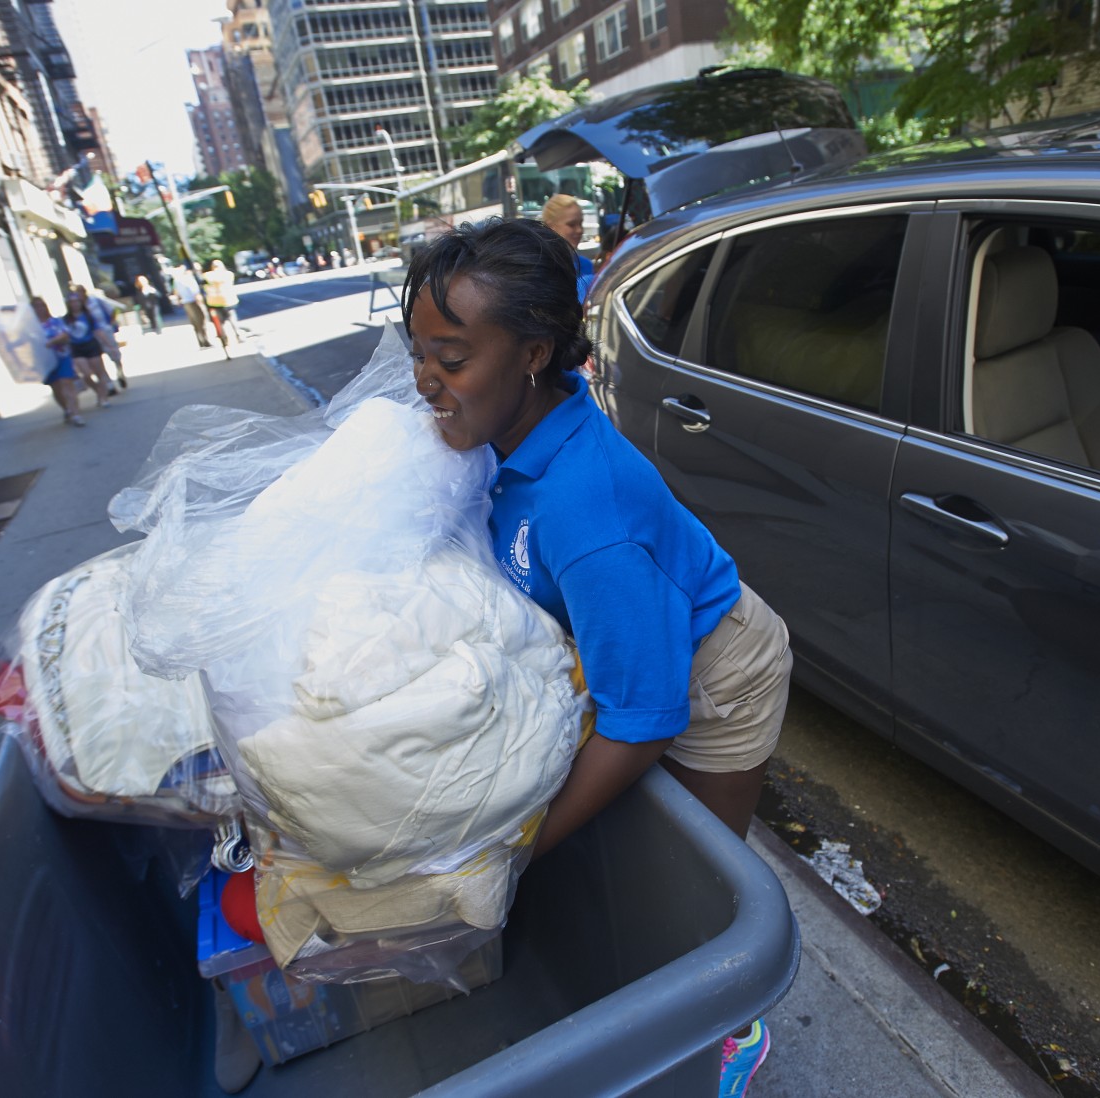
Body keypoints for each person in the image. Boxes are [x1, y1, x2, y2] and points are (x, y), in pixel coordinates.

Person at [402, 218, 790, 1097]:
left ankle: (731, 1029)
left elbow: (644, 722)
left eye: (451, 358)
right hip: (624, 640)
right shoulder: (499, 434)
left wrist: (513, 851)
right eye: (418, 352)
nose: (427, 380)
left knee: (693, 885)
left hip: (716, 670)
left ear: (534, 353)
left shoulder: (588, 511)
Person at [32, 296, 85, 426]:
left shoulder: (55, 322)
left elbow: (65, 334)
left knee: (67, 383)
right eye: (36, 306)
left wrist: (52, 342)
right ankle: (67, 409)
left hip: (62, 356)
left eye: (42, 305)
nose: (40, 309)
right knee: (56, 387)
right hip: (45, 361)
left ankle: (76, 413)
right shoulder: (31, 327)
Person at [71, 283, 127, 392]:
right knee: (96, 361)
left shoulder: (96, 301)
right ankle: (109, 384)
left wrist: (110, 325)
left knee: (114, 355)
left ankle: (120, 372)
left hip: (105, 331)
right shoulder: (77, 309)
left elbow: (112, 311)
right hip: (91, 336)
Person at [62, 291, 113, 410]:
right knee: (85, 374)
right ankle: (98, 391)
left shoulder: (88, 316)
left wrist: (109, 345)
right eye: (72, 302)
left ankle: (103, 397)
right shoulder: (66, 319)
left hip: (91, 345)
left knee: (100, 372)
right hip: (76, 348)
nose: (75, 304)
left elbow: (98, 331)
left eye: (77, 302)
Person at [540, 193, 595, 302]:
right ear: (550, 226)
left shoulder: (586, 265)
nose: (579, 230)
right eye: (571, 224)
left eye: (581, 223)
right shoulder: (539, 267)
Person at [202, 259, 242, 356]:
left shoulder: (208, 275)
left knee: (221, 323)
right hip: (228, 301)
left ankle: (224, 338)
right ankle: (237, 335)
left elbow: (204, 285)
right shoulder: (228, 274)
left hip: (215, 303)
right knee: (232, 319)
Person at [173, 266, 213, 348]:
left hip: (186, 302)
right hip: (193, 301)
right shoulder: (188, 279)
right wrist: (200, 301)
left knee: (195, 323)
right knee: (201, 321)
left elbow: (176, 292)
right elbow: (195, 291)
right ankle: (206, 341)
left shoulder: (177, 280)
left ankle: (201, 341)